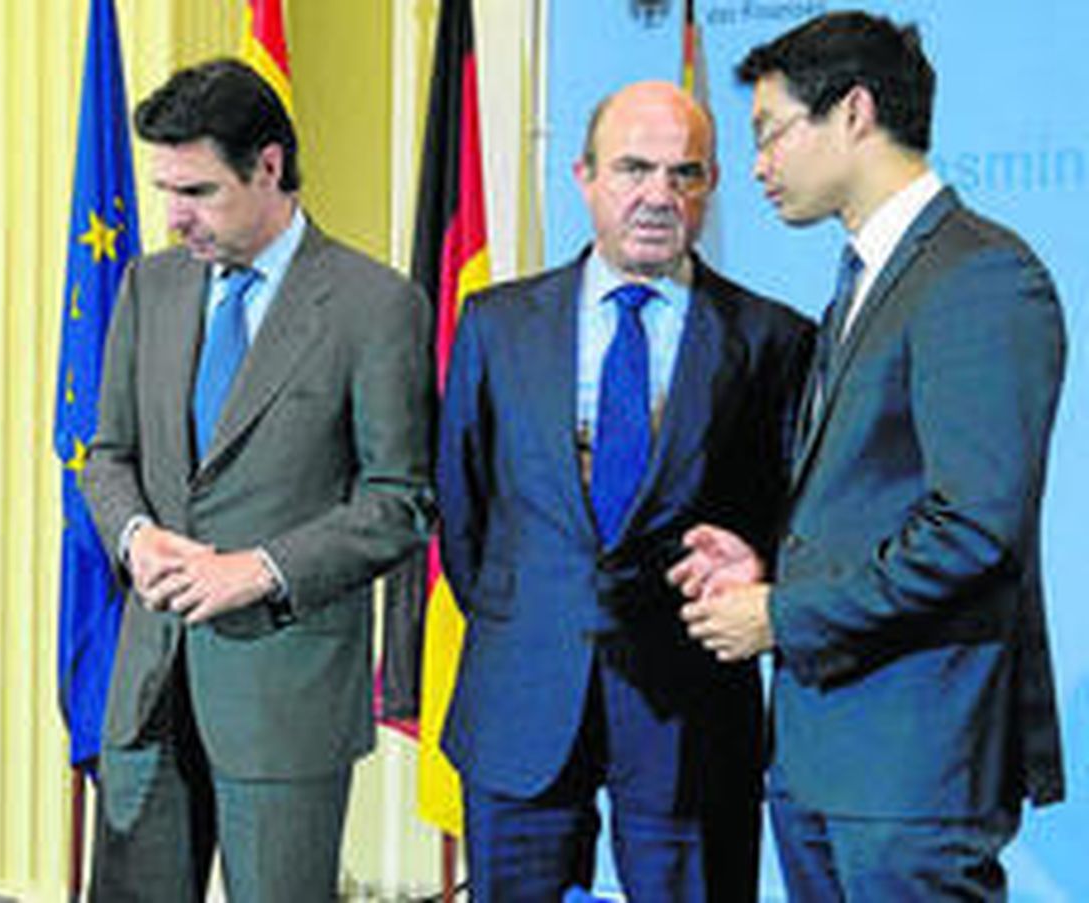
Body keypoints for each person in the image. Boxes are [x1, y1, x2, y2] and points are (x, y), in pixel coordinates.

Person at [672, 11, 1067, 901]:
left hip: (912, 770)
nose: (757, 166)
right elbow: (875, 499)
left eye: (770, 132)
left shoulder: (979, 277)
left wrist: (785, 614)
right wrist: (770, 566)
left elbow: (972, 529)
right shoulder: (868, 279)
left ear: (853, 112)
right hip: (825, 760)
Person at [436, 81, 813, 902]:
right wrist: (535, 614)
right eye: (634, 168)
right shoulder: (496, 324)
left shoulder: (775, 339)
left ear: (711, 185)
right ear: (585, 176)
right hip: (522, 701)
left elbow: (796, 518)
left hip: (692, 712)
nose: (659, 194)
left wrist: (756, 570)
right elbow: (464, 514)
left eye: (685, 173)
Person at [79, 58, 434, 901]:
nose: (174, 216)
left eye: (197, 191)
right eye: (165, 190)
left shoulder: (374, 305)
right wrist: (135, 536)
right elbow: (107, 456)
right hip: (148, 688)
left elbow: (401, 501)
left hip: (285, 698)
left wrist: (261, 569)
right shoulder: (150, 285)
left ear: (268, 167)